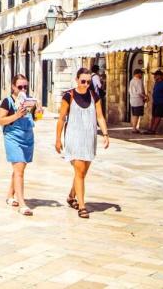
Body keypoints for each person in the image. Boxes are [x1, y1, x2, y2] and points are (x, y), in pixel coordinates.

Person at [56, 68, 109, 219]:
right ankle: (82, 206)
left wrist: (105, 134)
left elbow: (100, 117)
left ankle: (71, 196)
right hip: (74, 138)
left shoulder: (94, 96)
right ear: (77, 80)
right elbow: (61, 119)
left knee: (83, 172)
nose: (85, 84)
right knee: (80, 172)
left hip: (89, 138)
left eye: (88, 82)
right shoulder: (69, 96)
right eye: (83, 81)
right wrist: (58, 139)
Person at [0, 74, 36, 216]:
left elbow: (34, 119)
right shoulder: (7, 102)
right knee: (19, 170)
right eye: (20, 87)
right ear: (13, 87)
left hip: (27, 137)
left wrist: (38, 113)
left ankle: (10, 196)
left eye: (25, 86)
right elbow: (1, 120)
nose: (23, 89)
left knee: (18, 169)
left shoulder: (29, 101)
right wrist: (16, 115)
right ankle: (22, 204)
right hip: (13, 138)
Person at [147, 70, 163, 134]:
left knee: (158, 116)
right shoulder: (156, 83)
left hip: (162, 102)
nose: (154, 76)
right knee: (153, 116)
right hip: (155, 102)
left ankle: (153, 130)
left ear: (160, 76)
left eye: (155, 75)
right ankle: (150, 129)